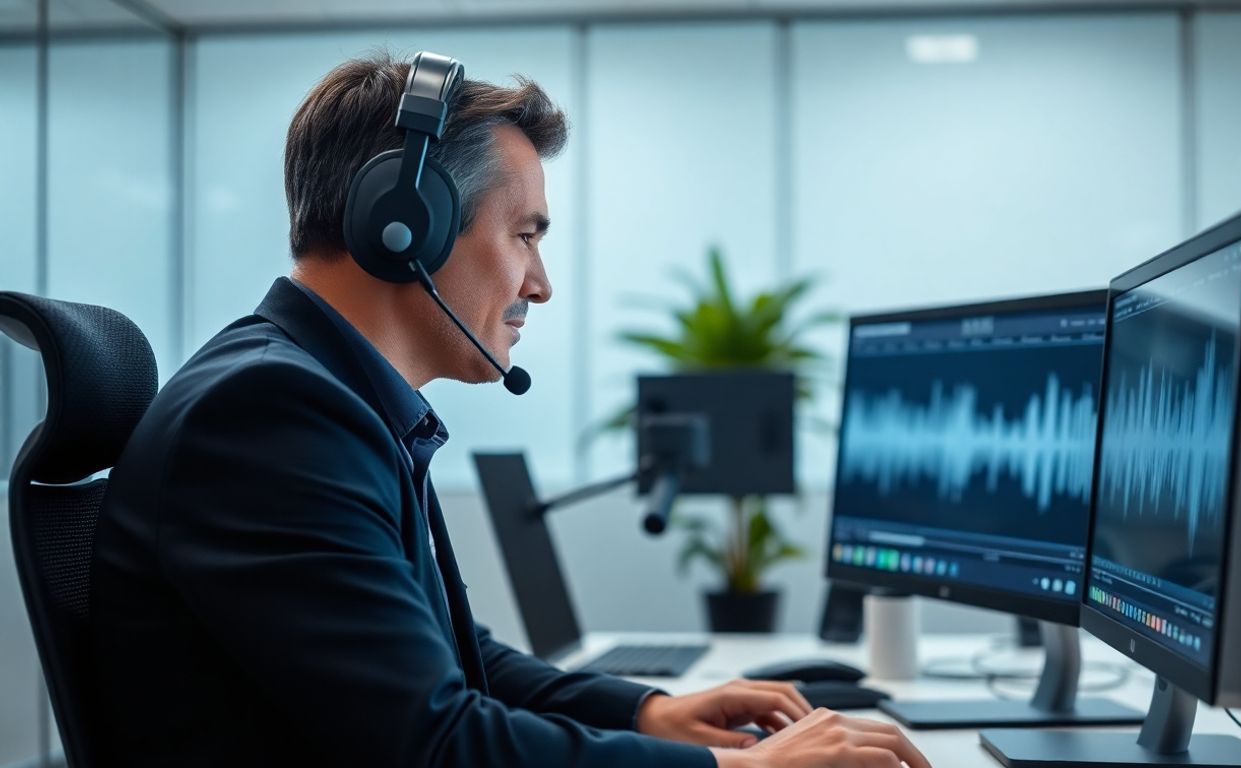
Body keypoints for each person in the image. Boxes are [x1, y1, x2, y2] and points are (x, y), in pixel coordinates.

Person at [90, 51, 930, 768]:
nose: (541, 283)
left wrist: (648, 713)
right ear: (405, 226)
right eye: (525, 235)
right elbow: (440, 744)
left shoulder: (324, 395)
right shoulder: (272, 414)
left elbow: (455, 660)